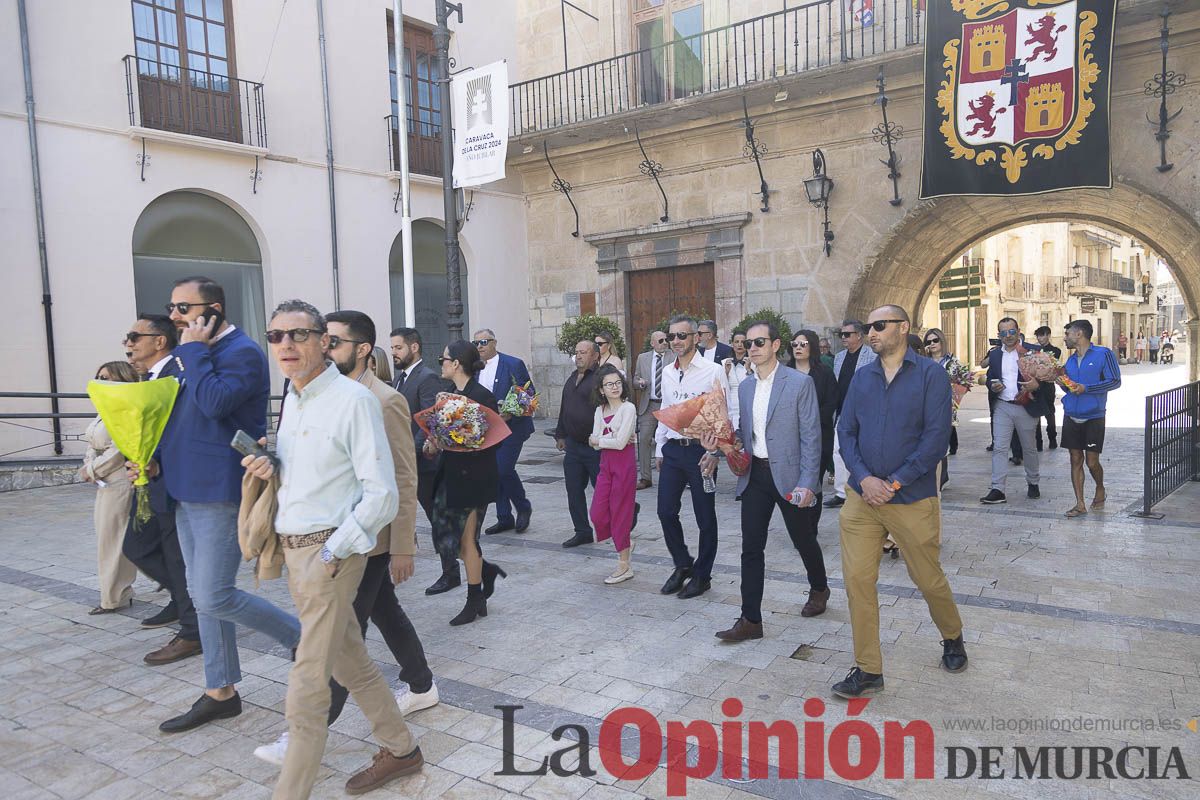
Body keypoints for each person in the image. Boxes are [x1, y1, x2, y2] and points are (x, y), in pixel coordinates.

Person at [242, 300, 422, 798]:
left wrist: (333, 551)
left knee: (308, 683)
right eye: (276, 336)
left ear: (323, 341)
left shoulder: (357, 400)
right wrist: (269, 464)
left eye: (298, 335)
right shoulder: (295, 397)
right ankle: (402, 748)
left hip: (331, 553)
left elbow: (385, 491)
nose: (286, 345)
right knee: (351, 663)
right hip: (296, 551)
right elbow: (314, 473)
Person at [155, 276, 301, 733]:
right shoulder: (183, 355)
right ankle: (220, 691)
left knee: (214, 593)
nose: (175, 316)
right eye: (172, 307)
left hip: (219, 488)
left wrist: (194, 351)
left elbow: (216, 403)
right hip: (181, 485)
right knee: (204, 599)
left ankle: (306, 642)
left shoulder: (242, 353)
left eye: (184, 308)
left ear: (213, 309)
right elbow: (174, 416)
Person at [833, 305, 967, 698]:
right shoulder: (862, 378)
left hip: (910, 498)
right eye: (867, 327)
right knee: (857, 580)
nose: (870, 333)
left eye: (878, 326)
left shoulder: (930, 376)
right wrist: (864, 478)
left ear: (902, 328)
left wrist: (892, 483)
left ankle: (952, 635)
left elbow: (935, 440)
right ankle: (868, 670)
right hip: (862, 500)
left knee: (927, 578)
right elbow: (847, 431)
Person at [710, 321, 830, 642]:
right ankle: (751, 619)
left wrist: (808, 483)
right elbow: (744, 433)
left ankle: (819, 587)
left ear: (776, 345)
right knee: (751, 548)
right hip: (756, 476)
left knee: (803, 539)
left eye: (759, 342)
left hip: (790, 476)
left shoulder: (799, 383)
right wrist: (724, 442)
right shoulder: (746, 387)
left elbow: (811, 437)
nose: (752, 348)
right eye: (748, 344)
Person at [121, 314, 202, 666]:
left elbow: (187, 430)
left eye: (134, 336)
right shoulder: (152, 378)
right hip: (153, 479)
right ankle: (188, 604)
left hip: (173, 481)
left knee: (174, 556)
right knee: (138, 547)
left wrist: (156, 462)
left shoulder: (177, 375)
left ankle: (193, 627)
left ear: (160, 341)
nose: (128, 343)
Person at [424, 340, 508, 625]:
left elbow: (490, 441)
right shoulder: (447, 394)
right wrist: (435, 441)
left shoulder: (482, 396)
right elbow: (441, 434)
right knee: (448, 538)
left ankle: (475, 599)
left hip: (474, 478)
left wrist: (462, 439)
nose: (441, 364)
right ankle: (485, 572)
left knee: (466, 540)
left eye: (443, 359)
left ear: (456, 363)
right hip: (450, 473)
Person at [655, 315, 731, 600]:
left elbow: (725, 413)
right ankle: (683, 563)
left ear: (696, 338)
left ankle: (703, 575)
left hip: (701, 452)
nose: (676, 341)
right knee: (665, 511)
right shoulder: (668, 371)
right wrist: (661, 446)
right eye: (671, 336)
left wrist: (714, 453)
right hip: (674, 450)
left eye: (682, 336)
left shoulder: (713, 371)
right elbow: (666, 408)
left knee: (704, 518)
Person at [392, 327, 458, 594]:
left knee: (437, 518)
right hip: (406, 462)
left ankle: (450, 573)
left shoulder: (427, 377)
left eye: (398, 348)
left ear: (414, 347)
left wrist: (412, 451)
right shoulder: (400, 379)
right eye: (393, 348)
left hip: (424, 464)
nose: (394, 353)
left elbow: (430, 421)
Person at [82, 360, 140, 616]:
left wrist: (93, 469)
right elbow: (92, 444)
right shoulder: (103, 409)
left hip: (118, 481)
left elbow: (119, 451)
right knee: (106, 538)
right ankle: (117, 592)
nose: (101, 380)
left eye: (107, 376)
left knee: (114, 540)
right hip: (103, 482)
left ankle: (114, 596)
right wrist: (89, 466)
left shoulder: (127, 411)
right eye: (99, 375)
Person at [979, 319, 1053, 505]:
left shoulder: (1031, 352)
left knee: (1029, 448)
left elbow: (1047, 378)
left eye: (1011, 331)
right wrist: (992, 385)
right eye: (1004, 333)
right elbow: (990, 377)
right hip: (1003, 405)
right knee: (1000, 447)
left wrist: (1037, 385)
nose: (1008, 336)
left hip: (1026, 406)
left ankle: (1033, 482)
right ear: (999, 336)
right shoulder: (995, 356)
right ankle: (997, 489)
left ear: (1018, 331)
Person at [473, 330, 536, 536]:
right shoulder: (474, 368)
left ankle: (523, 506)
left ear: (494, 342)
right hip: (486, 429)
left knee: (503, 469)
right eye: (476, 343)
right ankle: (504, 517)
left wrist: (511, 412)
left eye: (484, 342)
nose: (480, 346)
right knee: (494, 471)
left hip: (512, 428)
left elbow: (527, 393)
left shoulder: (512, 363)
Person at [1060, 319, 1121, 518]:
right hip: (1071, 415)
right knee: (1075, 459)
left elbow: (1115, 381)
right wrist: (1058, 379)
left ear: (1079, 334)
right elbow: (1069, 387)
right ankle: (1079, 503)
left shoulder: (1104, 355)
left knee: (1092, 462)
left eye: (1067, 334)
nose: (1065, 338)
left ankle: (1100, 487)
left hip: (1094, 415)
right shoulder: (1069, 361)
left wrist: (1088, 388)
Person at [588, 365, 638, 584]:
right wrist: (606, 440)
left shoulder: (629, 409)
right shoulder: (600, 410)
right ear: (601, 389)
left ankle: (624, 566)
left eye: (617, 383)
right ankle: (624, 538)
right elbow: (596, 444)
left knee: (620, 513)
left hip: (624, 465)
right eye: (609, 384)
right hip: (605, 466)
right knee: (597, 513)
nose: (615, 387)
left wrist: (600, 439)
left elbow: (617, 444)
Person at [554, 341, 603, 548]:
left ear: (595, 357)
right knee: (573, 490)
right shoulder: (572, 378)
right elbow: (565, 406)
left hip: (594, 447)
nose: (579, 356)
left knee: (602, 492)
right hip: (573, 446)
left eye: (584, 352)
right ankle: (582, 531)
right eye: (577, 353)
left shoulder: (601, 379)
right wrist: (560, 434)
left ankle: (627, 511)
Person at [826, 320, 878, 508]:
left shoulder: (872, 356)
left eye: (847, 334)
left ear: (859, 335)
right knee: (837, 451)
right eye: (841, 334)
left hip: (864, 413)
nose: (843, 338)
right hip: (842, 412)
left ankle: (862, 488)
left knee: (862, 452)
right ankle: (841, 492)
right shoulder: (839, 357)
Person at [792, 330, 837, 488]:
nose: (798, 347)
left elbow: (831, 402)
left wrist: (810, 421)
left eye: (803, 344)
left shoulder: (824, 372)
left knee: (813, 485)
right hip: (790, 438)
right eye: (795, 344)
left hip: (819, 435)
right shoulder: (785, 372)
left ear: (812, 346)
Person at [633, 330, 669, 490]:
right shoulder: (643, 358)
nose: (665, 343)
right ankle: (645, 477)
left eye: (666, 340)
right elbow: (634, 379)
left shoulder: (673, 356)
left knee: (670, 440)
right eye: (661, 341)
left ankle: (672, 476)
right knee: (644, 440)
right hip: (649, 404)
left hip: (668, 404)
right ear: (653, 343)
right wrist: (639, 383)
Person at [1032, 326, 1061, 450]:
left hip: (1048, 385)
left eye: (1042, 335)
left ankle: (1052, 438)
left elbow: (1053, 364)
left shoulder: (1055, 350)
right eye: (1038, 336)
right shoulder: (1033, 350)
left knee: (1049, 413)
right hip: (1036, 386)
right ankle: (1038, 442)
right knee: (1036, 415)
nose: (1040, 338)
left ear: (1048, 335)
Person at [722, 329, 750, 422]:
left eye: (743, 342)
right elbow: (720, 388)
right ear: (732, 344)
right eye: (736, 342)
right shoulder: (724, 362)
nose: (739, 344)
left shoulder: (753, 363)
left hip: (748, 404)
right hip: (729, 404)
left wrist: (749, 370)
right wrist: (725, 372)